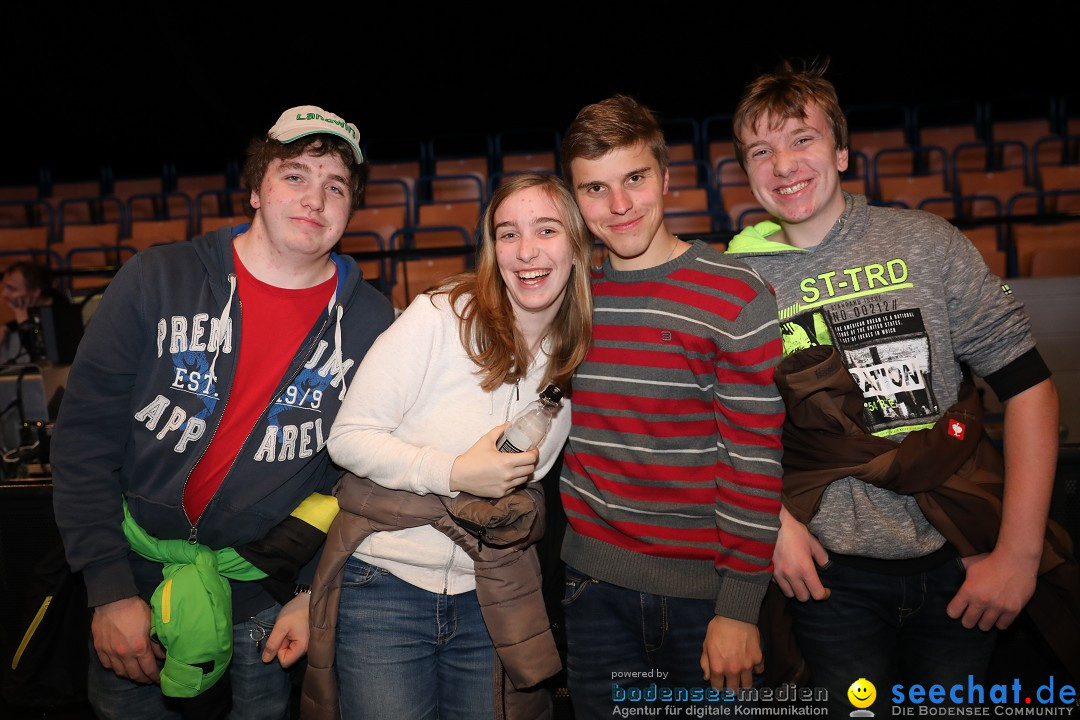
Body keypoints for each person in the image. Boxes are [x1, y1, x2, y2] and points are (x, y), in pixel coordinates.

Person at [725, 61, 1060, 715]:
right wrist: (774, 526)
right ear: (747, 172)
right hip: (829, 579)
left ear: (843, 152)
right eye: (761, 150)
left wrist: (1018, 556)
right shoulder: (737, 279)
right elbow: (727, 425)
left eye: (803, 139)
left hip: (960, 558)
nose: (784, 163)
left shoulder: (927, 244)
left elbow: (1029, 389)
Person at [50, 104, 395, 719]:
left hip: (265, 600)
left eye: (335, 185)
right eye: (295, 175)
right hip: (137, 591)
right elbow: (84, 442)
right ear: (257, 189)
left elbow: (355, 478)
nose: (314, 198)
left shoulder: (370, 322)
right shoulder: (156, 278)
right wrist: (107, 588)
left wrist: (313, 593)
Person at [316, 172, 593, 720]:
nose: (527, 251)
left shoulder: (573, 353)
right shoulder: (442, 316)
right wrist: (456, 472)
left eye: (546, 229)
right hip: (387, 587)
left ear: (576, 244)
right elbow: (347, 439)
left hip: (486, 593)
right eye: (508, 234)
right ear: (493, 249)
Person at [557, 95, 785, 718]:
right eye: (595, 188)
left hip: (706, 600)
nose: (620, 205)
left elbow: (754, 460)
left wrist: (739, 605)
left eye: (634, 179)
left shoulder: (735, 293)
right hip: (593, 590)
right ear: (576, 200)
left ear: (666, 178)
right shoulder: (568, 299)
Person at [0, 261, 69, 363]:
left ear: (35, 292)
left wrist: (24, 322)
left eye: (12, 289)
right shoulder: (33, 308)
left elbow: (44, 356)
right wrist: (6, 328)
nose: (4, 294)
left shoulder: (61, 313)